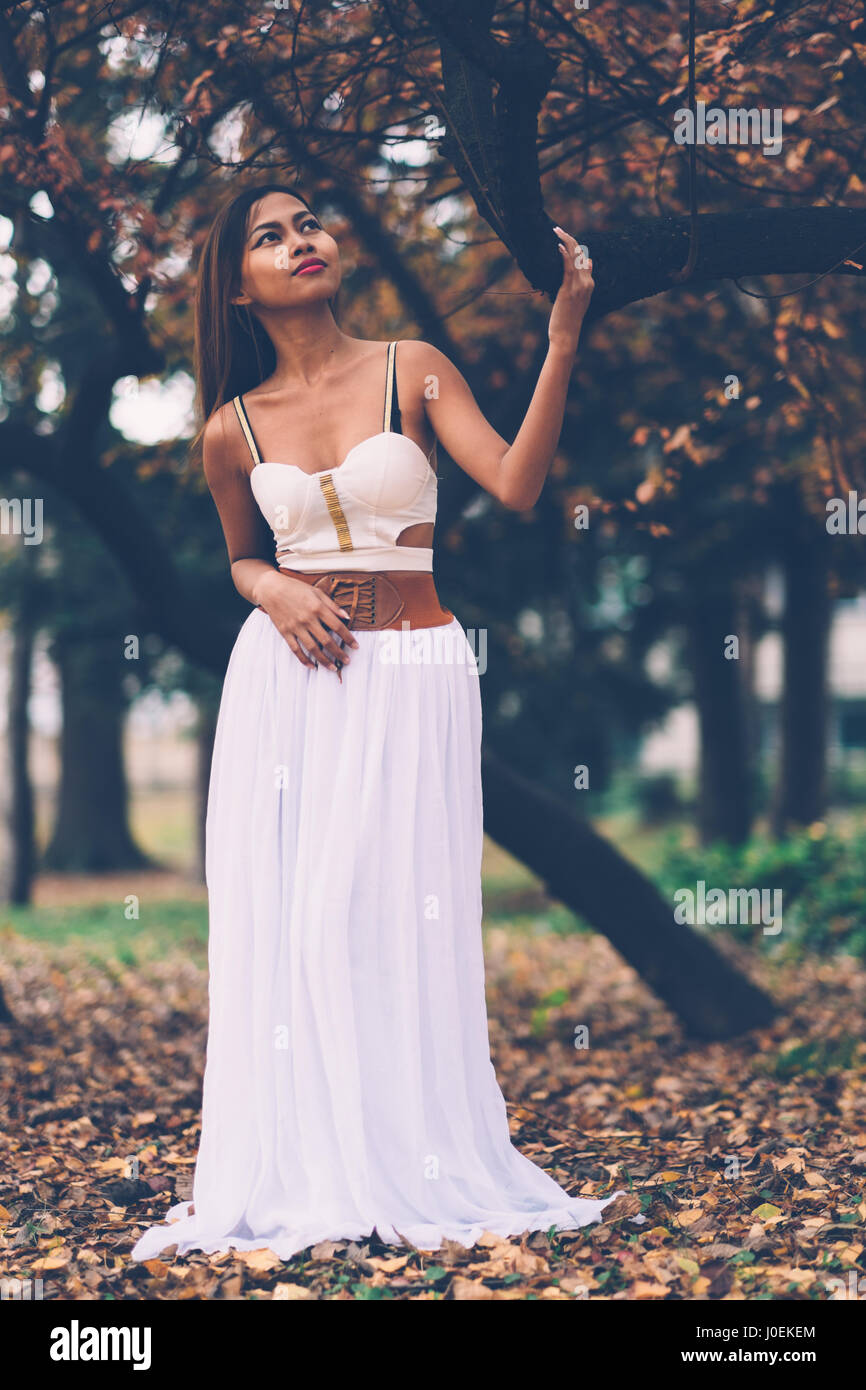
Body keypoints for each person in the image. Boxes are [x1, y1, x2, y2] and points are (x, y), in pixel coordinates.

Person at [131, 183, 622, 1263]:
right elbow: (242, 554)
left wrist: (560, 338)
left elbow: (515, 483)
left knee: (397, 918)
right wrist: (272, 592)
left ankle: (412, 1159)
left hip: (413, 674)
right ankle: (312, 1164)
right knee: (296, 923)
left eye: (307, 222)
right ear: (235, 283)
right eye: (270, 235)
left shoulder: (412, 366)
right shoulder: (230, 428)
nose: (301, 240)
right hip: (289, 684)